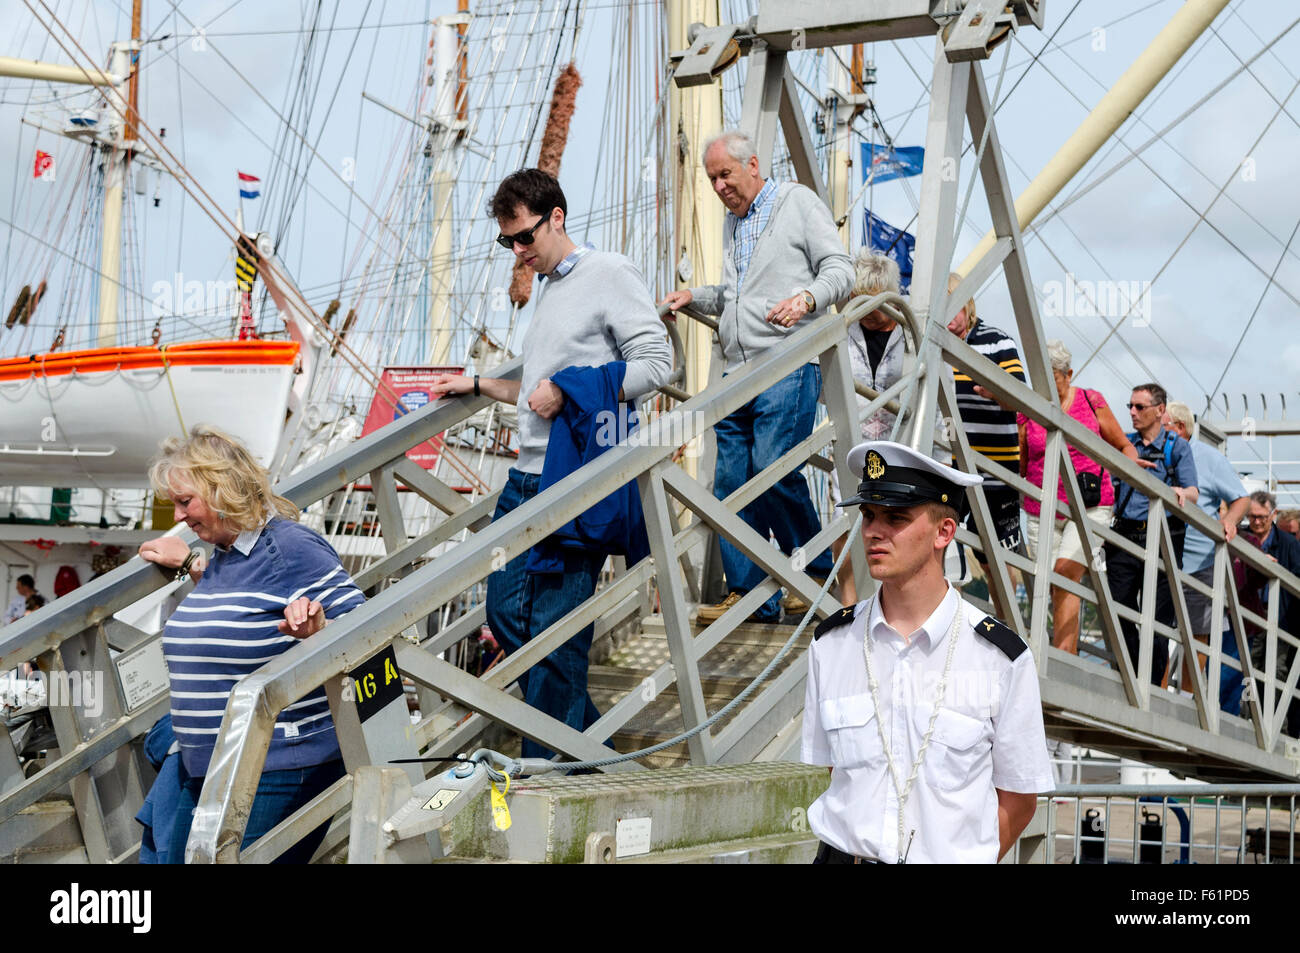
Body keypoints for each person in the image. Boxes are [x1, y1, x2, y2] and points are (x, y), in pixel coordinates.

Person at [428, 169, 671, 758]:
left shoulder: (609, 273)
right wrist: (481, 384)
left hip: (575, 479)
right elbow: (537, 391)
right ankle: (594, 749)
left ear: (556, 217)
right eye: (508, 242)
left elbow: (660, 365)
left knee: (558, 636)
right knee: (506, 610)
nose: (518, 252)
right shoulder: (550, 289)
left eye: (525, 238)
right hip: (525, 478)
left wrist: (568, 390)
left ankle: (549, 774)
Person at [802, 440, 1053, 863]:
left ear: (944, 532)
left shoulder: (1000, 658)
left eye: (895, 517)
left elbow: (1019, 798)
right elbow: (836, 773)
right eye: (867, 515)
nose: (873, 531)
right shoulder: (832, 644)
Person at [138, 425, 364, 863]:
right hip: (210, 765)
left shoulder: (290, 547)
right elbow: (242, 607)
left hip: (276, 762)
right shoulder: (226, 554)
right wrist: (187, 564)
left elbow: (369, 628)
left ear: (222, 489)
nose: (179, 517)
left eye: (186, 502)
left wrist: (319, 630)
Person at [660, 129, 853, 623]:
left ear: (752, 166)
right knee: (729, 483)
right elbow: (735, 297)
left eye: (725, 174)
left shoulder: (797, 202)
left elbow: (840, 269)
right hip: (736, 372)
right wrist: (696, 298)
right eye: (712, 179)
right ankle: (751, 594)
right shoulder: (733, 222)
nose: (720, 186)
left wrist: (807, 299)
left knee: (773, 468)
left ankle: (812, 572)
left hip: (787, 363)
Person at [1018, 341, 1144, 654]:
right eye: (1040, 376)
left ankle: (1063, 657)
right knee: (1045, 581)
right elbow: (1021, 461)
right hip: (1040, 504)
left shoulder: (1090, 400)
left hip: (1090, 504)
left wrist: (1127, 468)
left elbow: (1124, 446)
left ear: (1068, 374)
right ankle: (1046, 654)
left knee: (1066, 571)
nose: (1046, 383)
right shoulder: (1028, 406)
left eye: (1053, 376)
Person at [945, 273, 1028, 619]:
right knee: (940, 548)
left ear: (967, 305)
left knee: (994, 559)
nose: (948, 315)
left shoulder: (997, 342)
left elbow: (1021, 399)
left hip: (994, 470)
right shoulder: (929, 343)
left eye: (953, 306)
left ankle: (1007, 631)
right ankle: (948, 628)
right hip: (945, 466)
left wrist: (995, 390)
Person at [1107, 382, 1198, 686]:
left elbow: (1193, 491)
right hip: (1124, 535)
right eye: (1129, 406)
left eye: (1139, 407)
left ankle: (1149, 687)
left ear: (1160, 410)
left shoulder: (1176, 447)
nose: (1132, 412)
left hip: (1162, 540)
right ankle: (1131, 676)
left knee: (1158, 623)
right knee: (1118, 607)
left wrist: (1180, 492)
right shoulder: (1126, 445)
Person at [831, 251, 909, 604]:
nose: (864, 309)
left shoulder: (912, 331)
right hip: (852, 442)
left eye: (872, 301)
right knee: (844, 519)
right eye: (857, 298)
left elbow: (936, 394)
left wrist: (939, 454)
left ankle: (891, 606)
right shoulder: (845, 329)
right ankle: (849, 607)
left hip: (901, 444)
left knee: (893, 527)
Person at [1164, 402, 1250, 691]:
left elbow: (1241, 498)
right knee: (1155, 627)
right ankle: (1154, 690)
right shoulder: (1152, 450)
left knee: (1197, 632)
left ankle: (1189, 696)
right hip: (1160, 554)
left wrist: (1229, 521)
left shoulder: (1211, 460)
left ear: (1180, 428)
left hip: (1199, 561)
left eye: (1163, 426)